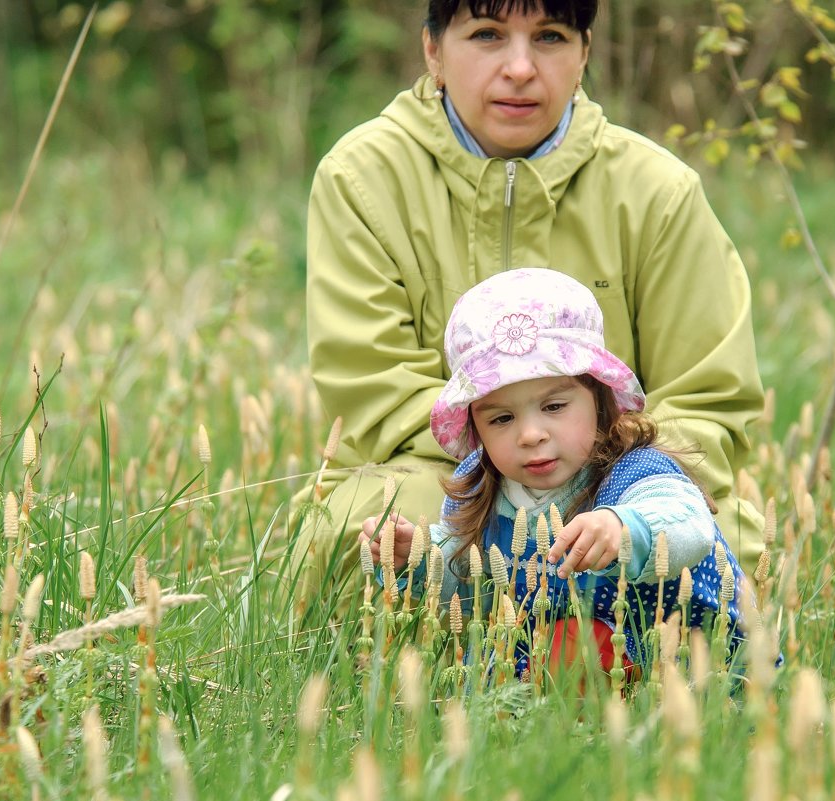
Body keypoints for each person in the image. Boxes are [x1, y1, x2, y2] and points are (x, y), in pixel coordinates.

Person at [297, 0, 764, 615]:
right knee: (372, 539)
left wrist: (605, 486)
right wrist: (508, 477)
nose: (520, 67)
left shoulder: (657, 191)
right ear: (433, 51)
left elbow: (707, 395)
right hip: (433, 473)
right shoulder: (362, 178)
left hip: (622, 468)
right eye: (487, 35)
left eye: (549, 36)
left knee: (713, 541)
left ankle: (634, 689)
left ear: (584, 53)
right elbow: (373, 385)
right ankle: (434, 696)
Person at [360, 268, 748, 670]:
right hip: (537, 666)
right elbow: (474, 585)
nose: (530, 434)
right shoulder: (479, 490)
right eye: (502, 419)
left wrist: (627, 528)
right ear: (475, 426)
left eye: (554, 407)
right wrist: (422, 557)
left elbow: (690, 525)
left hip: (678, 659)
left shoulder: (635, 471)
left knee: (576, 645)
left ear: (599, 400)